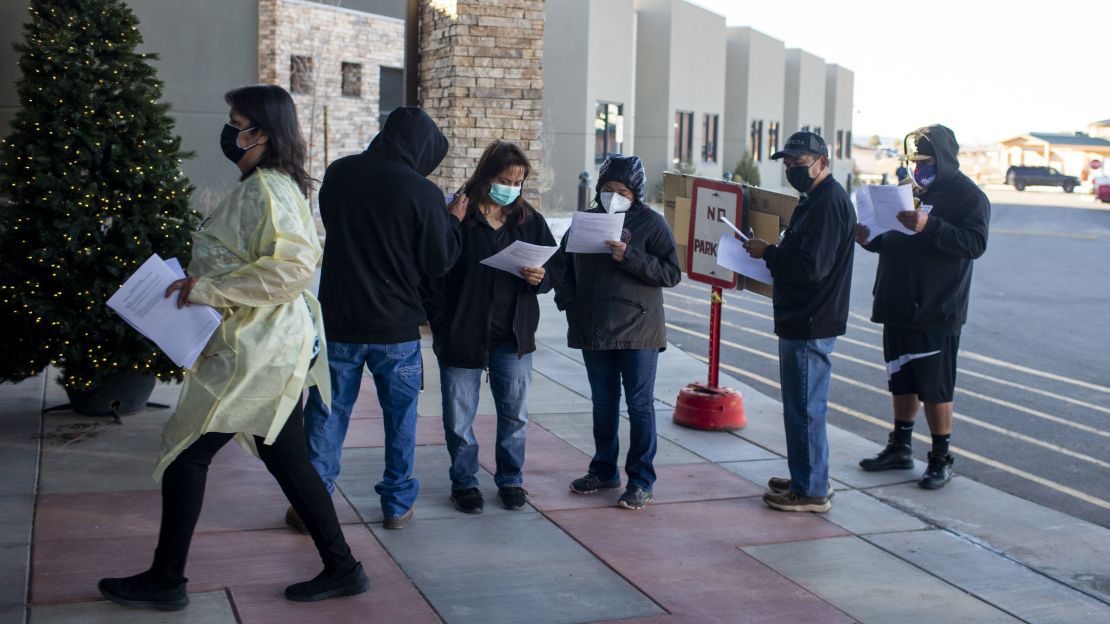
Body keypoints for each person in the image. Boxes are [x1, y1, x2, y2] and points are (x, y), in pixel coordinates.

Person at [98, 84, 369, 611]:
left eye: (236, 121)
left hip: (257, 351)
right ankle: (342, 567)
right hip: (264, 346)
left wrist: (209, 289)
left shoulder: (267, 187)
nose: (229, 131)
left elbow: (292, 268)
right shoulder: (271, 185)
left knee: (186, 453)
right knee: (288, 458)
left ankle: (166, 579)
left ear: (262, 133)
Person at [298, 107, 464, 531]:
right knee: (400, 419)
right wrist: (451, 222)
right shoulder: (423, 193)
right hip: (397, 328)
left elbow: (336, 224)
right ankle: (395, 504)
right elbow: (439, 261)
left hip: (339, 322)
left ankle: (311, 503)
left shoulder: (339, 174)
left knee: (325, 414)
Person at [425, 141, 558, 514]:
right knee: (458, 417)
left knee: (515, 414)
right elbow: (434, 273)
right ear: (487, 176)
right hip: (462, 333)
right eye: (505, 179)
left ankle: (511, 479)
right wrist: (443, 324)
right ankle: (465, 481)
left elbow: (555, 268)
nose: (512, 188)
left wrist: (541, 277)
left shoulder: (528, 219)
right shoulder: (459, 215)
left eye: (519, 181)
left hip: (513, 334)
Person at [856, 125, 989, 489]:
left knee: (935, 386)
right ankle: (900, 446)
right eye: (913, 161)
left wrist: (931, 225)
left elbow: (975, 243)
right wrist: (869, 239)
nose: (918, 168)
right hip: (896, 302)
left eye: (925, 161)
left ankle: (940, 457)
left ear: (944, 159)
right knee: (902, 380)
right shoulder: (908, 192)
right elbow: (892, 240)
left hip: (935, 308)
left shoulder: (968, 197)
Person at [554, 154, 681, 511]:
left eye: (621, 190)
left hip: (639, 331)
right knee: (603, 403)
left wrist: (630, 256)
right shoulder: (586, 221)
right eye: (607, 189)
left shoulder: (651, 224)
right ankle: (604, 469)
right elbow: (562, 266)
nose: (613, 196)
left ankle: (641, 481)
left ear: (635, 192)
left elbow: (672, 273)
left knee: (639, 406)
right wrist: (569, 302)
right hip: (595, 329)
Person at [743, 131, 855, 513]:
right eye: (788, 164)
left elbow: (811, 267)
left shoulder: (827, 204)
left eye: (799, 164)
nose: (792, 170)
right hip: (804, 316)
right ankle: (809, 475)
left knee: (805, 407)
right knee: (802, 405)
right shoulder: (816, 199)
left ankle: (810, 490)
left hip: (811, 319)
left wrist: (768, 252)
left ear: (823, 163)